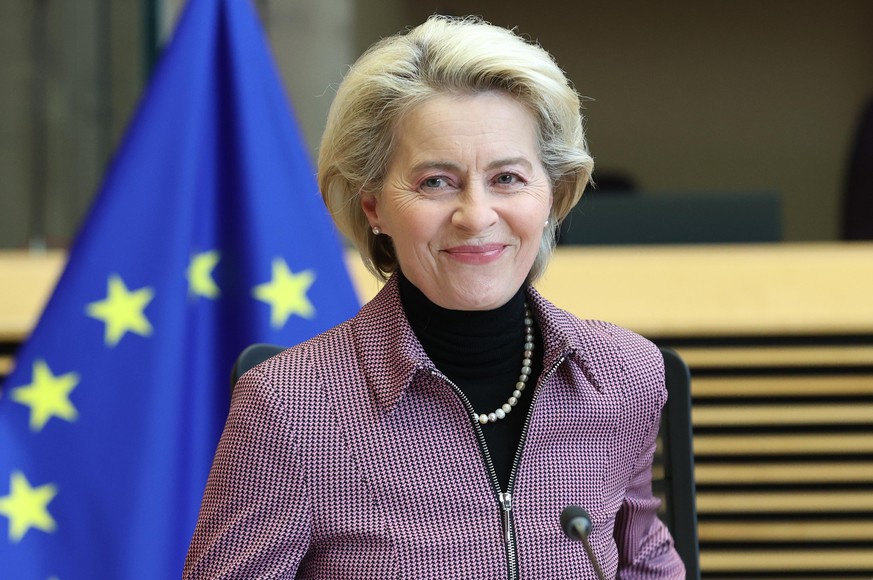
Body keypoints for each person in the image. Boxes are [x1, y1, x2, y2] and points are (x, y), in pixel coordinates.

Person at [183, 15, 685, 579]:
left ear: (553, 193)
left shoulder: (622, 378)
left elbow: (646, 563)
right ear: (373, 205)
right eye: (435, 182)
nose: (476, 216)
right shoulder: (291, 409)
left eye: (508, 179)